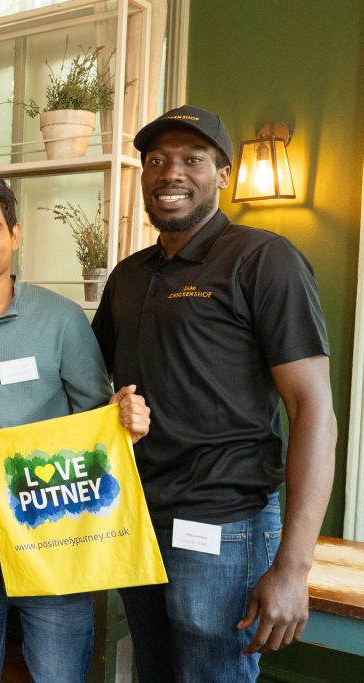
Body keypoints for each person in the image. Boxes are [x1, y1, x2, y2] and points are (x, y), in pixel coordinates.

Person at [91, 105, 336, 681]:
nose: (171, 173)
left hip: (226, 524)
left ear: (224, 174)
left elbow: (312, 408)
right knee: (154, 670)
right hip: (137, 516)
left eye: (192, 159)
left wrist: (294, 568)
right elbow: (89, 376)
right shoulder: (128, 276)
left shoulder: (263, 259)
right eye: (156, 160)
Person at [0, 174, 150, 683]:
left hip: (54, 537)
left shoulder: (63, 320)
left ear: (15, 234)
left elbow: (97, 421)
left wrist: (125, 422)